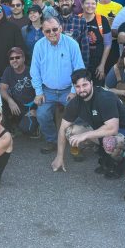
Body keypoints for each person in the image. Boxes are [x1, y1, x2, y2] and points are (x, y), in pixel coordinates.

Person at [50, 69, 125, 173]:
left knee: (108, 142)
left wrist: (85, 135)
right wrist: (59, 157)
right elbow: (62, 129)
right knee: (69, 131)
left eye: (84, 85)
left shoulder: (104, 98)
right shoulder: (75, 103)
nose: (81, 89)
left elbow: (113, 129)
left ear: (91, 83)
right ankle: (103, 151)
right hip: (103, 131)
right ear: (74, 87)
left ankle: (120, 162)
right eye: (77, 86)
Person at [31, 17, 86, 154]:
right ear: (43, 32)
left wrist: (74, 91)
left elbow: (79, 69)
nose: (52, 33)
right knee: (42, 114)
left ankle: (77, 144)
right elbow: (35, 71)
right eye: (48, 30)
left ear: (61, 28)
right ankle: (52, 140)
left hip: (68, 89)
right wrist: (39, 92)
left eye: (55, 29)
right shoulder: (39, 45)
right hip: (47, 90)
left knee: (78, 114)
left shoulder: (72, 44)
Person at [0, 46, 37, 134]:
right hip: (16, 105)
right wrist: (10, 101)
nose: (14, 60)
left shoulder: (32, 71)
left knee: (26, 129)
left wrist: (37, 110)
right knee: (1, 100)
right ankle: (9, 129)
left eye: (17, 57)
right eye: (11, 58)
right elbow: (2, 89)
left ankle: (36, 125)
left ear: (23, 59)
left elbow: (42, 92)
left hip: (30, 107)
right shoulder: (8, 70)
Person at [80, 0, 110, 84]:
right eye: (87, 3)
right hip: (80, 63)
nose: (90, 6)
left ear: (96, 5)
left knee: (97, 90)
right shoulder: (76, 19)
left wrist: (102, 65)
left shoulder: (102, 20)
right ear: (82, 5)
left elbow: (108, 44)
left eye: (93, 3)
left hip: (98, 63)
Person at [56, 0, 90, 66]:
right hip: (56, 64)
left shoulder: (81, 21)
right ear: (57, 3)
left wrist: (83, 69)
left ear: (72, 1)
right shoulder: (53, 22)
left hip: (75, 64)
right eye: (61, 0)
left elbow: (85, 48)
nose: (64, 2)